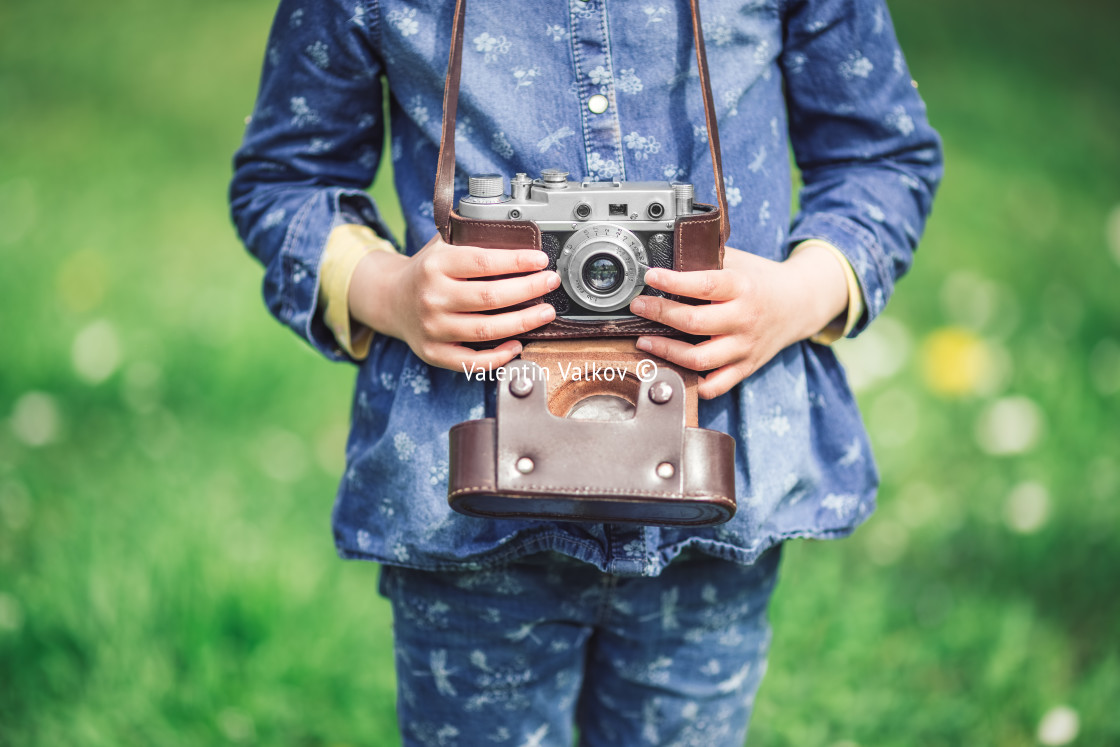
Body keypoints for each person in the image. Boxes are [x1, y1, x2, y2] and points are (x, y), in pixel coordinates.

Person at [230, 0, 941, 743]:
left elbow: (883, 157)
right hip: (467, 497)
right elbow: (285, 179)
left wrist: (796, 296)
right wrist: (391, 292)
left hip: (714, 494)